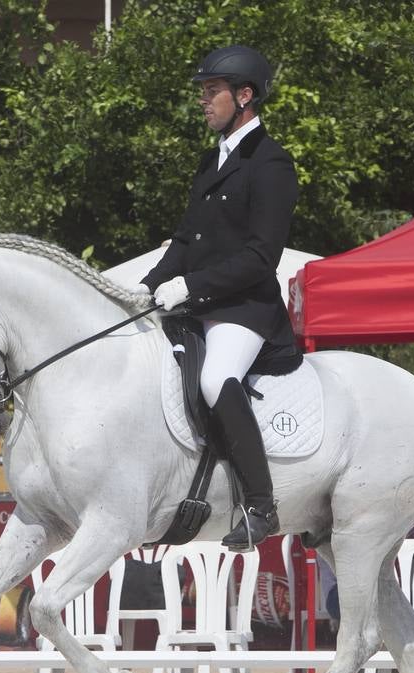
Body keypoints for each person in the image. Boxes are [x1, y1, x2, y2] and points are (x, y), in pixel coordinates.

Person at [138, 45, 301, 550]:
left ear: (245, 96)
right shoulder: (213, 161)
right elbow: (186, 241)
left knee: (215, 377)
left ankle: (260, 505)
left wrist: (191, 286)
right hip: (200, 306)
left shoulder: (271, 164)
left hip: (245, 310)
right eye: (203, 93)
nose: (204, 101)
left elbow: (260, 257)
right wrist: (144, 288)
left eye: (213, 92)